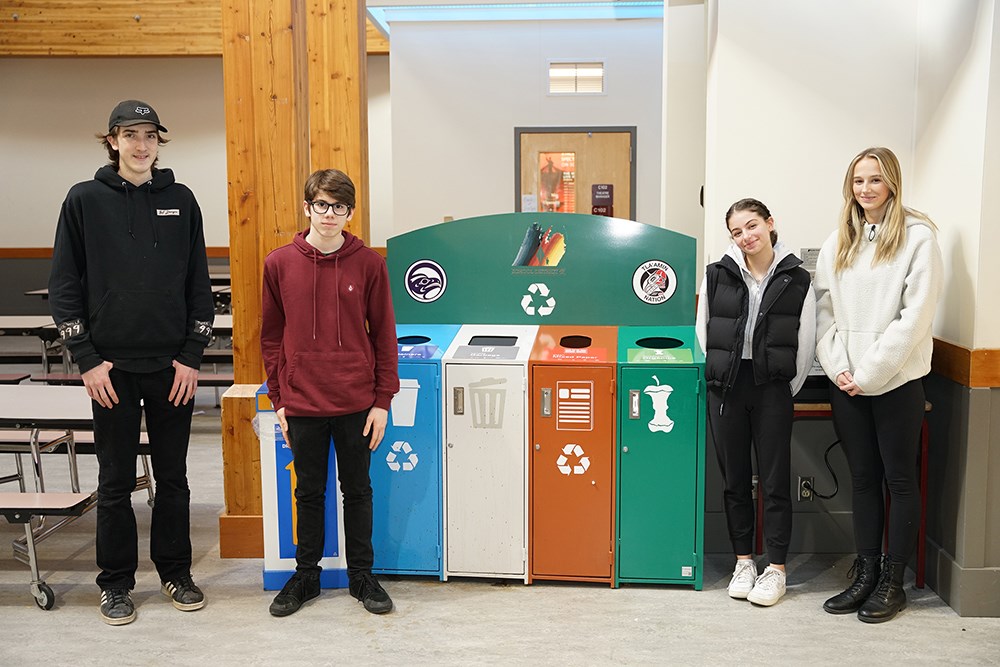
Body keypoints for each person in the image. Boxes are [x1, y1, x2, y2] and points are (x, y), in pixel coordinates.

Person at [48, 100, 215, 625]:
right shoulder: (84, 200)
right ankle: (115, 584)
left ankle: (175, 572)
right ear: (113, 141)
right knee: (116, 481)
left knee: (174, 479)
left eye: (150, 135)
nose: (141, 145)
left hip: (172, 369)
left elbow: (200, 288)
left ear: (159, 142)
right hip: (110, 372)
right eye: (130, 134)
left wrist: (191, 356)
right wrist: (88, 360)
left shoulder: (182, 200)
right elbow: (65, 285)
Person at [261, 168, 399, 617]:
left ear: (350, 212)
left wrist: (382, 401)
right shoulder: (278, 263)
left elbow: (384, 336)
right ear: (307, 207)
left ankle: (362, 576)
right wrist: (279, 399)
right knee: (308, 493)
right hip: (302, 401)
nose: (329, 214)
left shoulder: (370, 264)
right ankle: (306, 576)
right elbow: (271, 337)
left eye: (339, 207)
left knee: (358, 490)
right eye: (321, 204)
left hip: (356, 402)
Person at [815, 147, 942, 623]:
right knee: (863, 479)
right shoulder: (840, 240)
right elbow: (823, 307)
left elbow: (915, 318)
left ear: (892, 183)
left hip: (896, 382)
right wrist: (839, 367)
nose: (865, 189)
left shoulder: (918, 237)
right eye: (857, 181)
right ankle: (866, 572)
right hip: (846, 380)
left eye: (875, 180)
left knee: (899, 480)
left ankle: (893, 581)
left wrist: (868, 374)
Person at [696, 198, 815, 607]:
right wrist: (720, 376)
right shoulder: (717, 275)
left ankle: (776, 568)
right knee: (734, 482)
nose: (746, 237)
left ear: (769, 224)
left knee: (775, 482)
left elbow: (806, 342)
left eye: (752, 226)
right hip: (726, 387)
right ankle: (744, 561)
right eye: (736, 232)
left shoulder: (797, 278)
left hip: (772, 388)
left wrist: (784, 388)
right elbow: (703, 332)